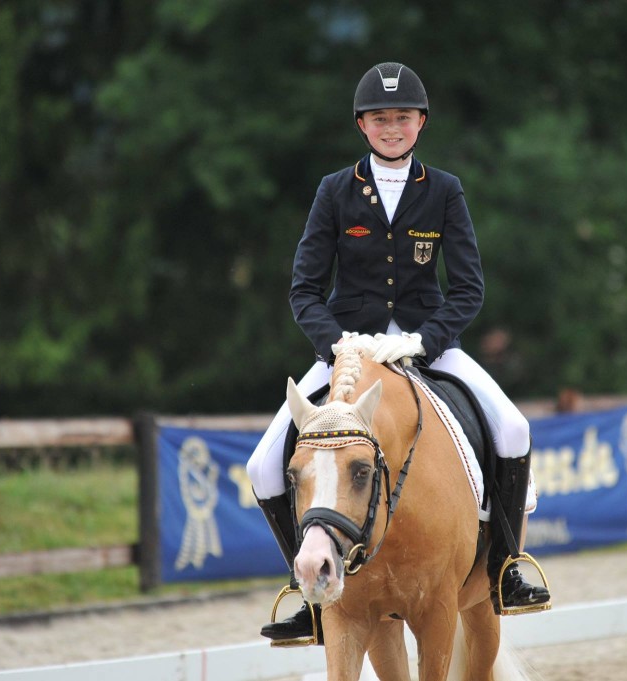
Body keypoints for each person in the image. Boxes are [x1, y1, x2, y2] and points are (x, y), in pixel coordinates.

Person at [246, 61, 550, 645]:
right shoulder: (335, 191)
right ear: (362, 125)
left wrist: (421, 339)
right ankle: (307, 593)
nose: (392, 127)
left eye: (402, 118)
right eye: (381, 118)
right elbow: (304, 289)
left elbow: (468, 289)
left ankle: (507, 569)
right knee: (264, 465)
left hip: (426, 346)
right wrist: (338, 344)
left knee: (512, 428)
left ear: (421, 123)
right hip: (351, 350)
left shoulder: (443, 191)